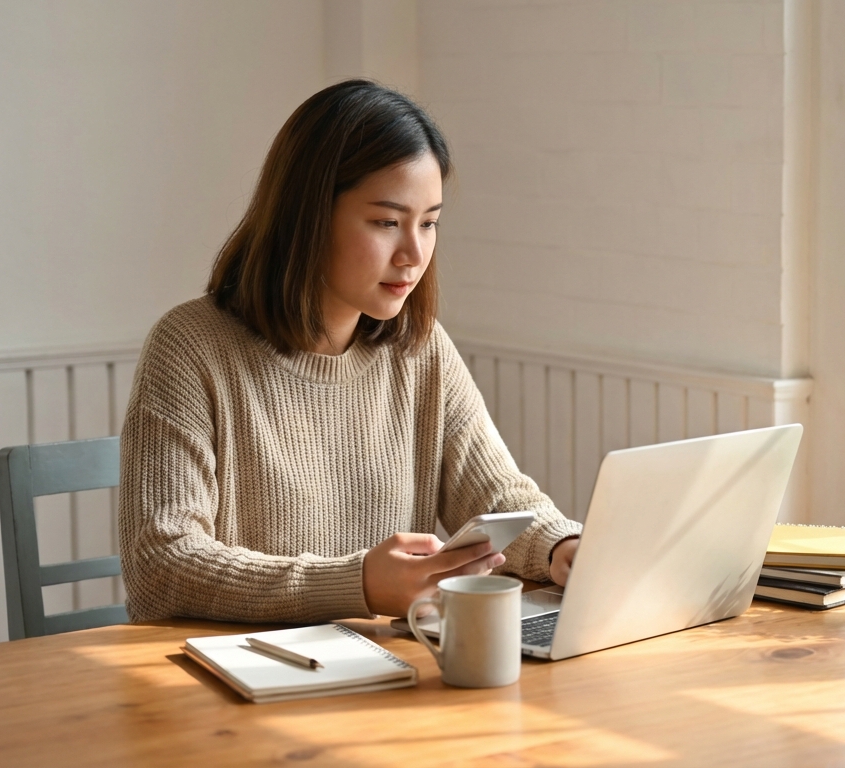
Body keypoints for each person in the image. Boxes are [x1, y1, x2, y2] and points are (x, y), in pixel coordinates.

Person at [118, 80, 582, 623]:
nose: (414, 254)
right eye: (387, 222)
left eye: (428, 223)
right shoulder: (191, 347)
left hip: (383, 662)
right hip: (235, 666)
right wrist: (355, 584)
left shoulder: (420, 347)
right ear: (308, 215)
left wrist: (562, 547)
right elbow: (162, 564)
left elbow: (496, 497)